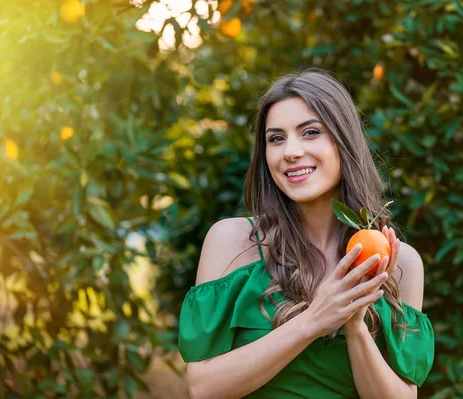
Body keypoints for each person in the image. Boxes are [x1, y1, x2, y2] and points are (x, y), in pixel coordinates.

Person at [178, 68, 434, 399]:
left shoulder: (400, 263)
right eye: (276, 138)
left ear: (344, 142)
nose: (291, 152)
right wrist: (314, 320)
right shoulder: (232, 241)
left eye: (310, 132)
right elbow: (203, 388)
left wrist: (354, 324)